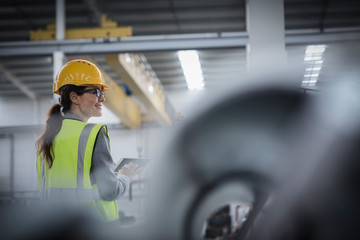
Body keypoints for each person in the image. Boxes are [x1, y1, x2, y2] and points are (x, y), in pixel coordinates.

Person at [36, 59, 139, 222]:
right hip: (90, 227)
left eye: (102, 93)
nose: (102, 99)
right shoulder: (94, 133)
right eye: (96, 92)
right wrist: (126, 176)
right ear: (74, 97)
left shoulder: (48, 137)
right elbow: (110, 191)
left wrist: (98, 171)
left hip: (54, 227)